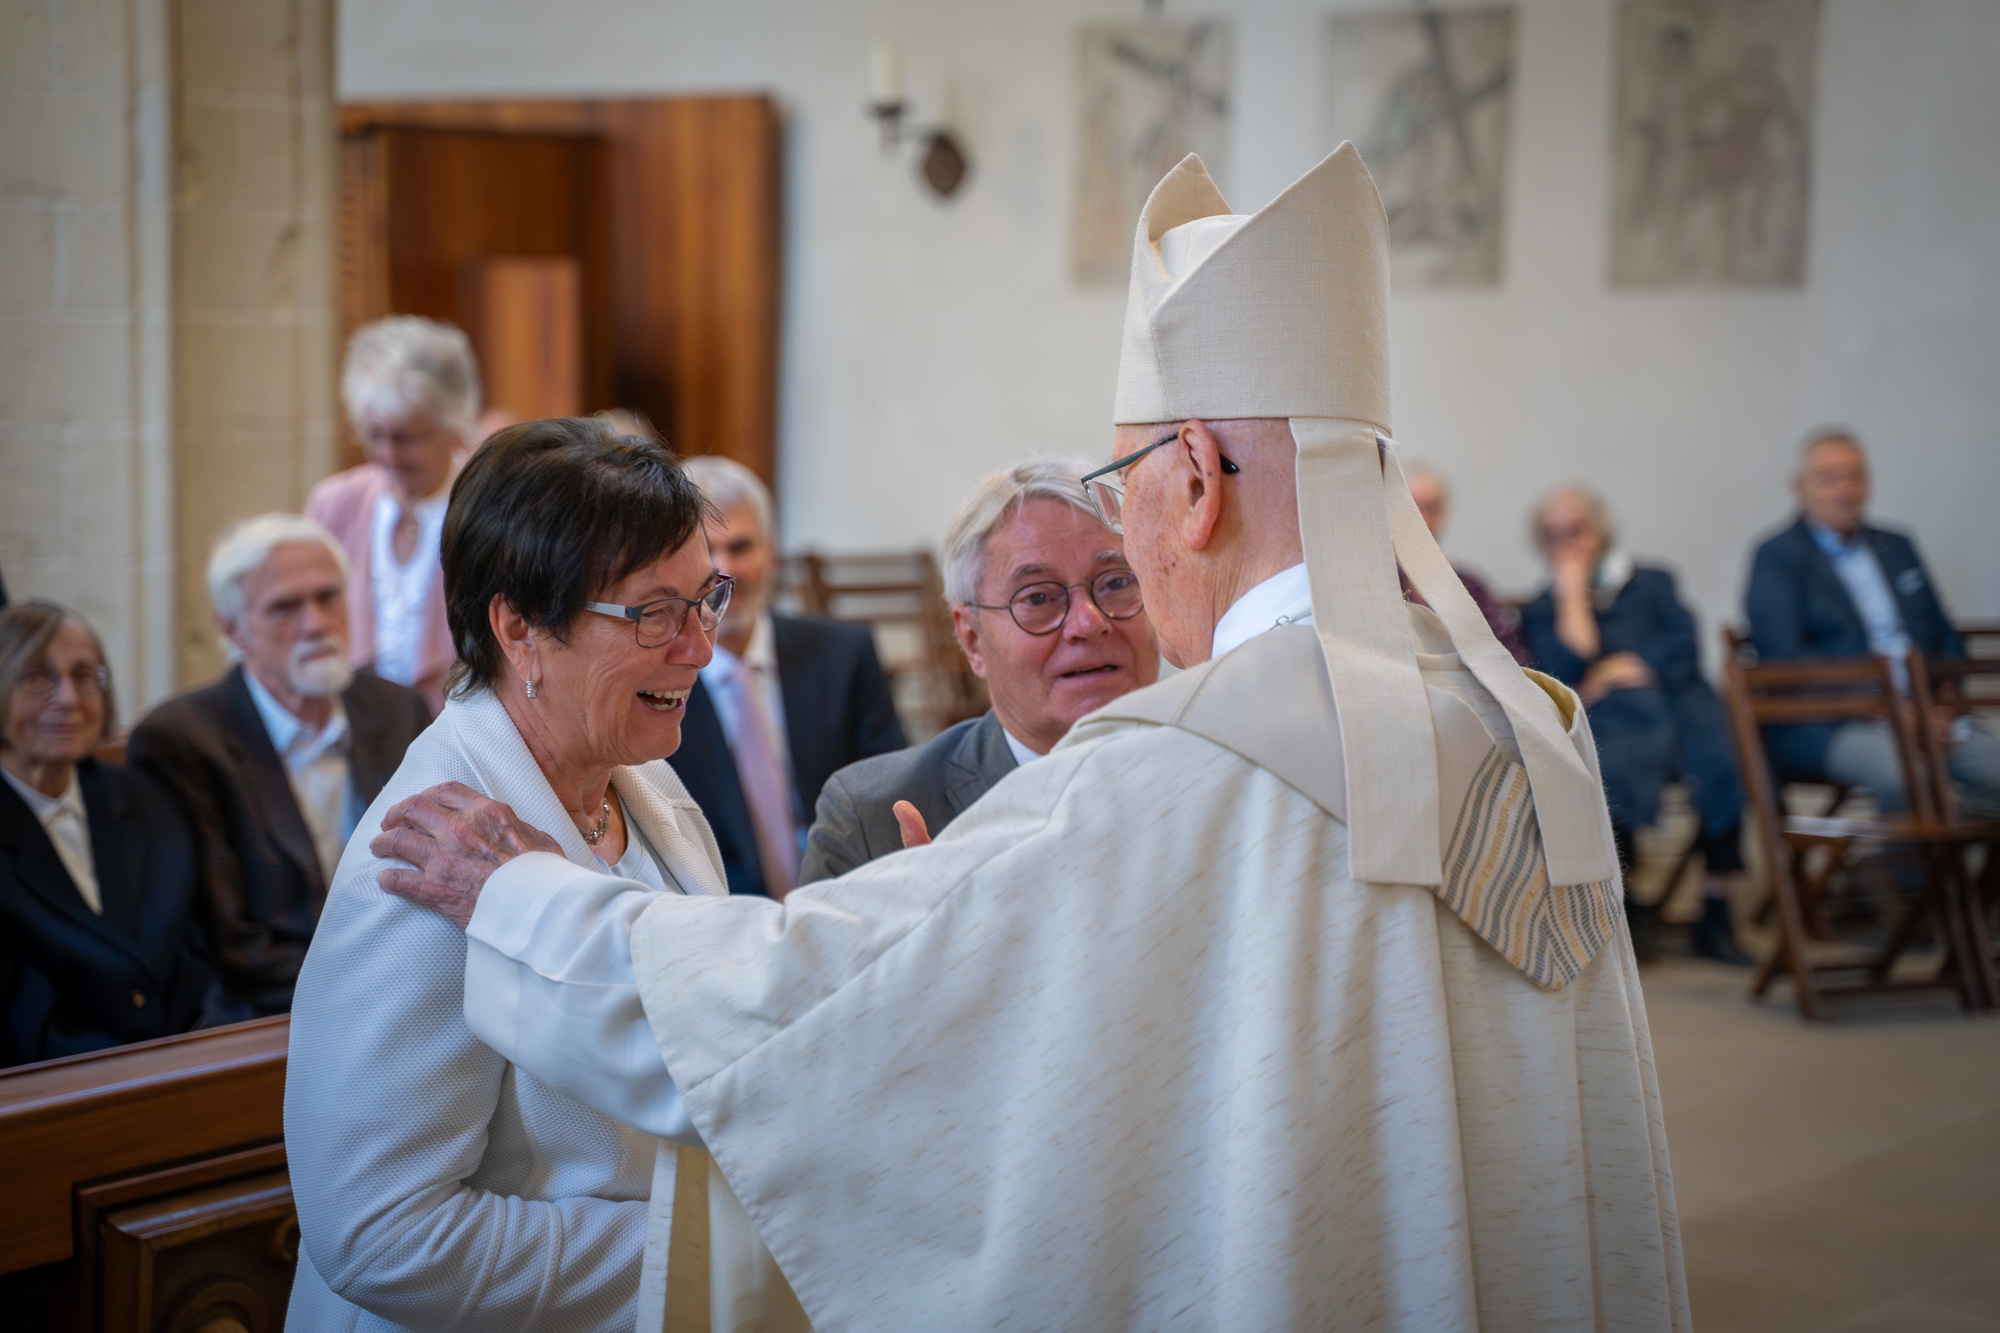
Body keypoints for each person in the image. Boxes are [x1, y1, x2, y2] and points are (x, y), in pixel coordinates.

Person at [378, 146, 1685, 1329]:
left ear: (1193, 480)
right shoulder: (1524, 727)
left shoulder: (1190, 766)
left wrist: (519, 902)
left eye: (1122, 493)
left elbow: (816, 1010)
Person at [283, 419, 802, 1332]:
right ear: (518, 626)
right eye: (652, 611)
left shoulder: (645, 786)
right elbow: (380, 1234)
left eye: (704, 598)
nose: (700, 647)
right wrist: (702, 1253)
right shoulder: (424, 856)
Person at [799, 458, 1161, 883]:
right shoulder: (873, 819)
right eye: (1040, 598)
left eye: (1117, 582)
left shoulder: (1227, 772)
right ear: (972, 639)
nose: (1088, 622)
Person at [128, 516, 430, 1018]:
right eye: (285, 607)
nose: (315, 623)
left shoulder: (397, 710)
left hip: (412, 989)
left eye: (327, 596)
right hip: (275, 1017)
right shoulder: (183, 741)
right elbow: (231, 941)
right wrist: (370, 995)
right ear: (232, 629)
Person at [1519, 486, 1750, 964]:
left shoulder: (1653, 581)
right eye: (1553, 536)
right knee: (1609, 767)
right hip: (1622, 722)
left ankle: (1717, 905)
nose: (1568, 544)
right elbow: (1566, 669)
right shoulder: (1544, 607)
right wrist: (1573, 597)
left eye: (1576, 531)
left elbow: (1684, 647)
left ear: (1600, 529)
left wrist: (1629, 667)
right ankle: (1629, 906)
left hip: (1681, 705)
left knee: (1726, 763)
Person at [669, 456, 904, 897]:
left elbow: (889, 794)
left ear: (772, 551)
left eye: (740, 548)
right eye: (706, 552)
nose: (725, 572)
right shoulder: (657, 685)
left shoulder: (844, 657)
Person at [0, 600, 216, 1067]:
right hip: (59, 1092)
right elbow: (21, 1019)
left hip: (190, 1062)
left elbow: (198, 958)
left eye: (83, 676)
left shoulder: (146, 798)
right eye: (38, 678)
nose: (68, 700)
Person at [1746, 428, 1999, 816]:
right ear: (1799, 487)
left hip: (1929, 713)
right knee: (1908, 776)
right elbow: (1785, 659)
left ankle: (1956, 871)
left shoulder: (1896, 545)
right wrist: (1887, 708)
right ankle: (1896, 877)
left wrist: (1942, 705)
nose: (1844, 490)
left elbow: (1944, 636)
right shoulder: (1778, 556)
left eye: (1855, 477)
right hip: (1834, 721)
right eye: (1829, 479)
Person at [307, 316, 481, 713]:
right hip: (359, 731)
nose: (386, 455)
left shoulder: (490, 505)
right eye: (374, 434)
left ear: (454, 426)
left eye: (406, 437)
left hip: (459, 729)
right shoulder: (334, 504)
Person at [1403, 462, 1532, 665]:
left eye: (1432, 508)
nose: (1423, 519)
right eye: (1412, 508)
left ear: (1445, 512)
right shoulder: (1380, 582)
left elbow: (1511, 658)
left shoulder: (1472, 586)